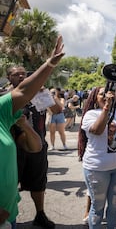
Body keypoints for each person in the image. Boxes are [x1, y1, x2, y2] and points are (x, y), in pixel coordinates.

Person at [0, 35, 64, 228]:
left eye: (23, 74)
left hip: (37, 144)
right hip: (14, 147)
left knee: (38, 182)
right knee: (10, 181)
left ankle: (40, 214)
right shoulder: (5, 98)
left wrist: (44, 94)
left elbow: (58, 111)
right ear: (8, 77)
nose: (21, 76)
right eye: (16, 74)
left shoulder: (39, 93)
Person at [78, 85, 116, 229]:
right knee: (98, 206)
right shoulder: (90, 114)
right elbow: (97, 130)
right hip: (97, 169)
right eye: (102, 94)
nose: (107, 96)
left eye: (110, 94)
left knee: (115, 204)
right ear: (95, 97)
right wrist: (107, 106)